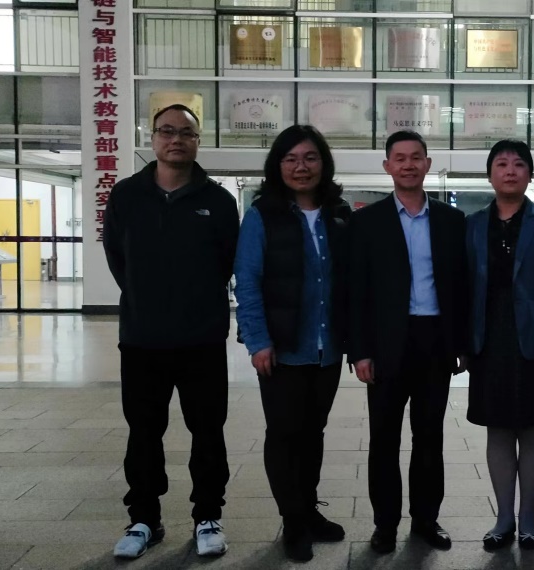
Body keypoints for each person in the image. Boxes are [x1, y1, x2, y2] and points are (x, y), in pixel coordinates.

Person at [103, 104, 238, 560]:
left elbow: (226, 262)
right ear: (153, 138)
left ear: (198, 141)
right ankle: (144, 518)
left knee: (208, 431)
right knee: (143, 432)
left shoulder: (218, 201)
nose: (175, 139)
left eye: (186, 132)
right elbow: (118, 258)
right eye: (167, 131)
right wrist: (146, 299)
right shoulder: (126, 195)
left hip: (202, 339)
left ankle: (208, 515)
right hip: (142, 339)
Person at [233, 125, 350, 562]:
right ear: (277, 166)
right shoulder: (262, 215)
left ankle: (308, 508)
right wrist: (258, 341)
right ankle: (293, 521)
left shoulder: (339, 213)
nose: (301, 167)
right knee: (284, 434)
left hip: (327, 347)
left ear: (323, 163)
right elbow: (247, 280)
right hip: (282, 348)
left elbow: (351, 280)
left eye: (310, 158)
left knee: (313, 433)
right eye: (291, 159)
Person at [349, 130, 469, 555]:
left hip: (435, 341)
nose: (408, 165)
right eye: (399, 158)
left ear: (427, 164)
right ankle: (385, 524)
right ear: (387, 167)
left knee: (429, 437)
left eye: (416, 157)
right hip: (386, 345)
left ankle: (425, 520)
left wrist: (460, 343)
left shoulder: (452, 221)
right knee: (383, 439)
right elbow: (355, 292)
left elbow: (462, 287)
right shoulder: (366, 221)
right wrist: (359, 351)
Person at [465, 140, 534, 552]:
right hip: (489, 340)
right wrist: (463, 341)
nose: (510, 171)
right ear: (490, 174)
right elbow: (464, 286)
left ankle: (528, 517)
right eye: (501, 164)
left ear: (529, 174)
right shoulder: (472, 224)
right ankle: (503, 518)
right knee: (497, 429)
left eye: (518, 164)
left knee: (532, 429)